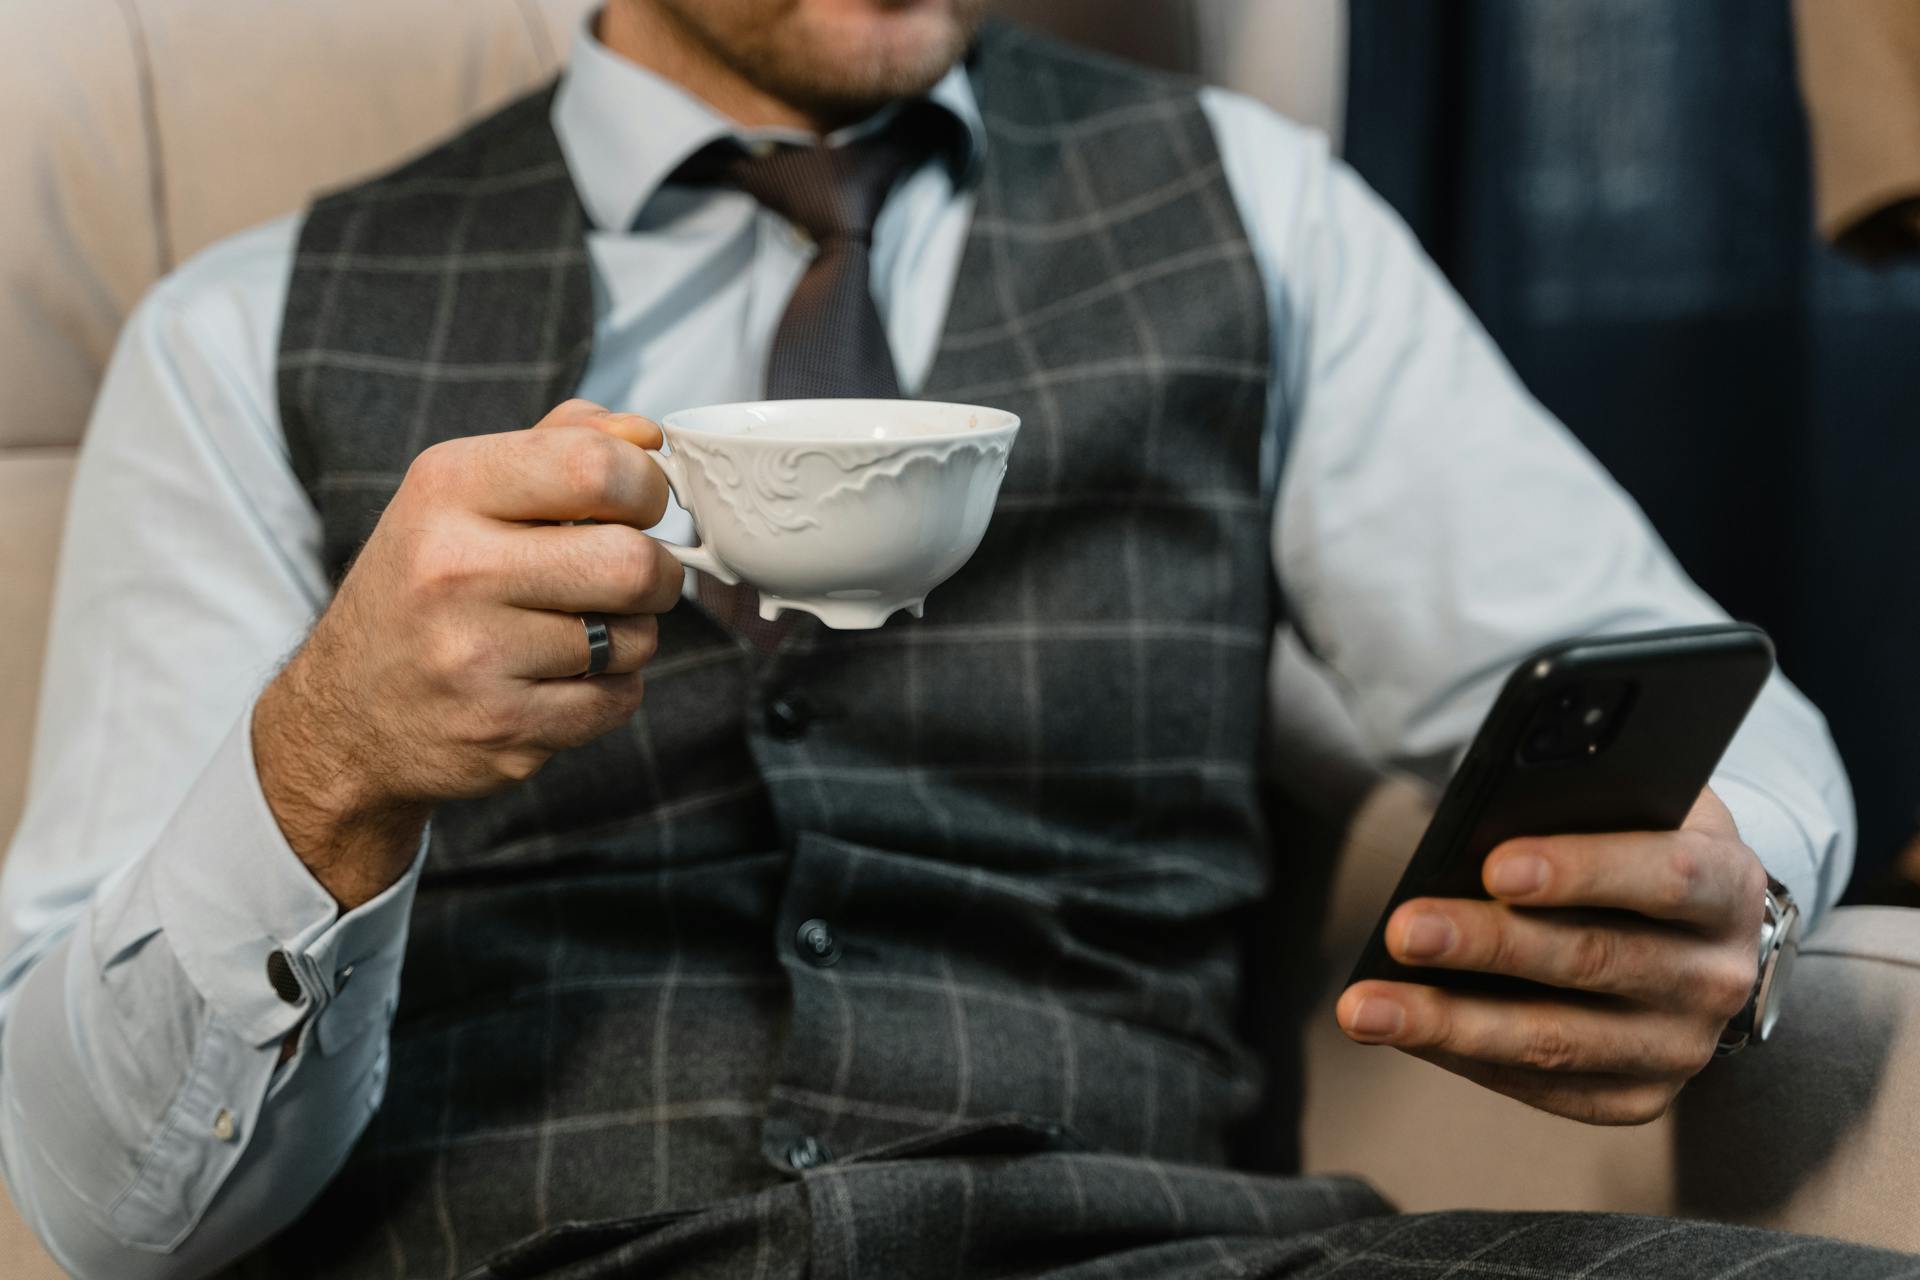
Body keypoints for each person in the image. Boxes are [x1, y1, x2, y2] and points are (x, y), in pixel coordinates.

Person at [0, 1, 1901, 1276]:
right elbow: (101, 1213)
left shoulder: (1255, 213)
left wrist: (1729, 892)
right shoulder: (240, 334)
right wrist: (330, 762)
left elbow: (1656, 671)